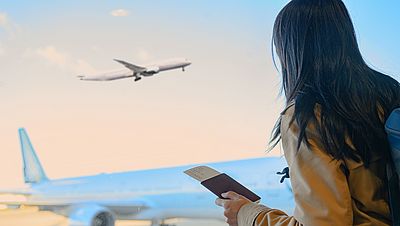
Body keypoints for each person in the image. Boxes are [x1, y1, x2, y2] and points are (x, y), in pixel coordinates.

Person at [215, 0, 400, 225]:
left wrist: (248, 214)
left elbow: (324, 222)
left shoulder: (308, 115)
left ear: (290, 50)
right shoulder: (390, 91)